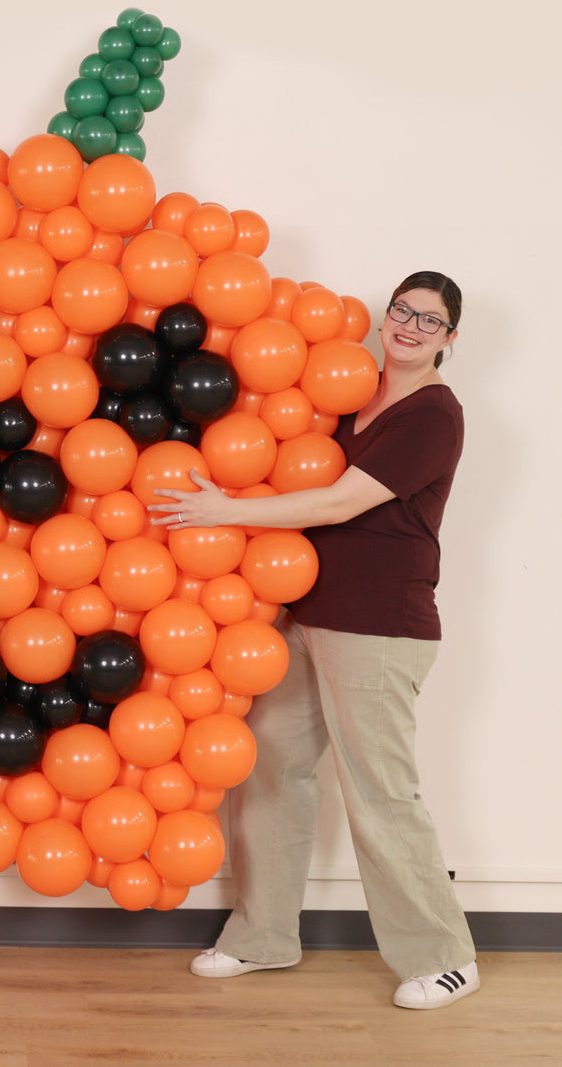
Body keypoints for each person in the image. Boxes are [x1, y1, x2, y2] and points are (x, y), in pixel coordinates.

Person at [150, 271, 478, 1010]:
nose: (409, 327)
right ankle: (263, 937)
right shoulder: (351, 393)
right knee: (269, 768)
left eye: (429, 321)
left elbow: (337, 502)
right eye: (402, 311)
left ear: (449, 338)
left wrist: (222, 512)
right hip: (303, 616)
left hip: (380, 626)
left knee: (379, 793)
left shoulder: (434, 414)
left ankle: (444, 957)